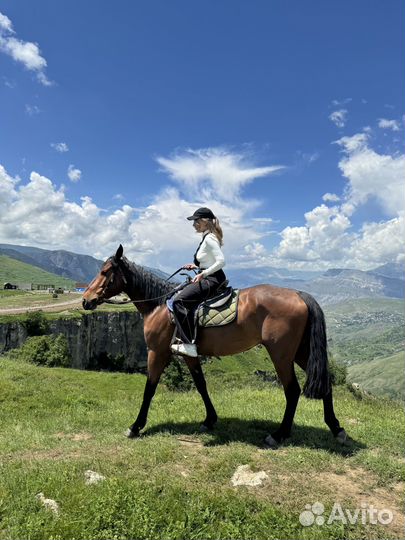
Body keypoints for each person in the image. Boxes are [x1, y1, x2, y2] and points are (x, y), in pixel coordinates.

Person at [171, 207, 226, 357]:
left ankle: (189, 345)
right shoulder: (207, 237)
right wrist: (196, 266)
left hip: (212, 278)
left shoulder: (209, 238)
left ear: (205, 221)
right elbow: (210, 260)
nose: (194, 224)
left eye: (196, 221)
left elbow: (221, 261)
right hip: (210, 275)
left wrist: (204, 274)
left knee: (179, 301)